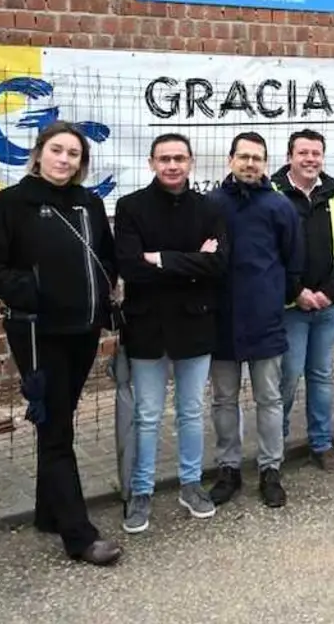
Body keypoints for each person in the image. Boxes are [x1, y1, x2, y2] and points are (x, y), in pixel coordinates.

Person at [0, 121, 122, 566]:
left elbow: (106, 256)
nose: (64, 159)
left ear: (81, 163)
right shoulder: (10, 204)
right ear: (38, 154)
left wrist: (106, 284)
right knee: (55, 429)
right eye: (57, 150)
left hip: (84, 330)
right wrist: (31, 290)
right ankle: (79, 535)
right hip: (38, 333)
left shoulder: (89, 203)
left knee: (59, 420)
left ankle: (47, 513)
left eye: (74, 154)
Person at [114, 133, 228, 534]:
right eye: (165, 158)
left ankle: (190, 484)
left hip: (195, 325)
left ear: (191, 162)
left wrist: (160, 258)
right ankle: (141, 492)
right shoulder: (130, 208)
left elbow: (218, 266)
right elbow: (129, 267)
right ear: (151, 163)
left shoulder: (209, 208)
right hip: (147, 328)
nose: (172, 165)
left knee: (191, 412)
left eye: (179, 158)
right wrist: (193, 260)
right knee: (146, 415)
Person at [207, 132, 303, 509]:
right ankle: (228, 468)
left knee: (269, 397)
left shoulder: (280, 207)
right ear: (231, 160)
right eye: (243, 157)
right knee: (224, 399)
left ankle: (270, 469)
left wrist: (275, 298)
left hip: (265, 318)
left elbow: (294, 261)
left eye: (257, 158)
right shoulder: (212, 204)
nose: (250, 164)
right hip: (222, 319)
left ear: (266, 163)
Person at [273, 130, 334, 473]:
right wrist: (297, 293)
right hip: (291, 307)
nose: (310, 159)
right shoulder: (274, 193)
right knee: (288, 376)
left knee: (322, 376)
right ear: (289, 156)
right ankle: (274, 447)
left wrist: (330, 292)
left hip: (328, 305)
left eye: (316, 153)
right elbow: (270, 250)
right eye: (303, 153)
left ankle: (321, 444)